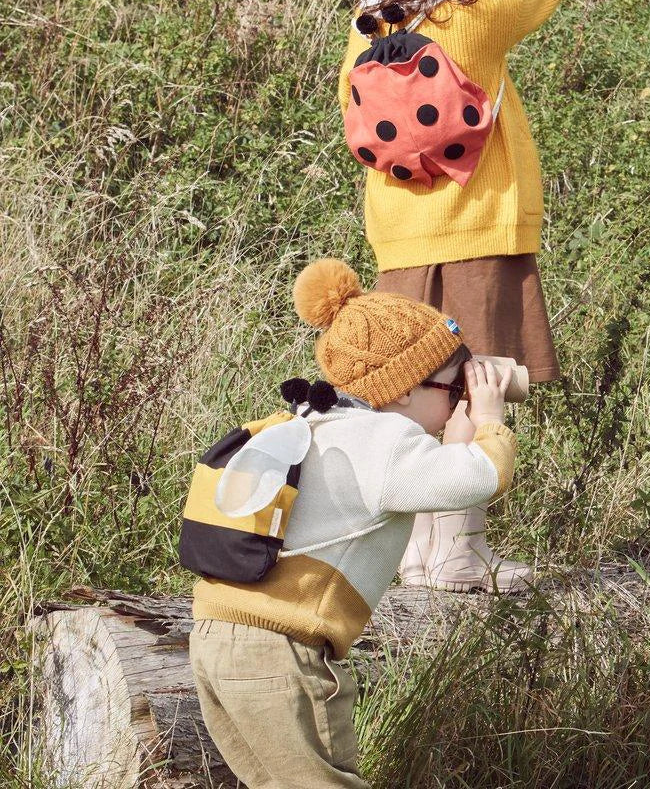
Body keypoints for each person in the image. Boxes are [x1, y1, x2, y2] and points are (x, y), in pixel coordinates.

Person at [338, 0, 611, 592]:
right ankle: (461, 551)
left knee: (412, 396)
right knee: (473, 387)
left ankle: (413, 552)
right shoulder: (480, 10)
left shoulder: (367, 23)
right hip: (477, 231)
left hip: (399, 241)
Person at [188, 258, 516, 789]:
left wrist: (455, 417)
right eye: (453, 390)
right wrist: (490, 420)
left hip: (212, 634)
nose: (459, 402)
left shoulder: (317, 423)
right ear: (403, 390)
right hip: (282, 649)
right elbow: (479, 477)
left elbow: (432, 472)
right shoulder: (385, 441)